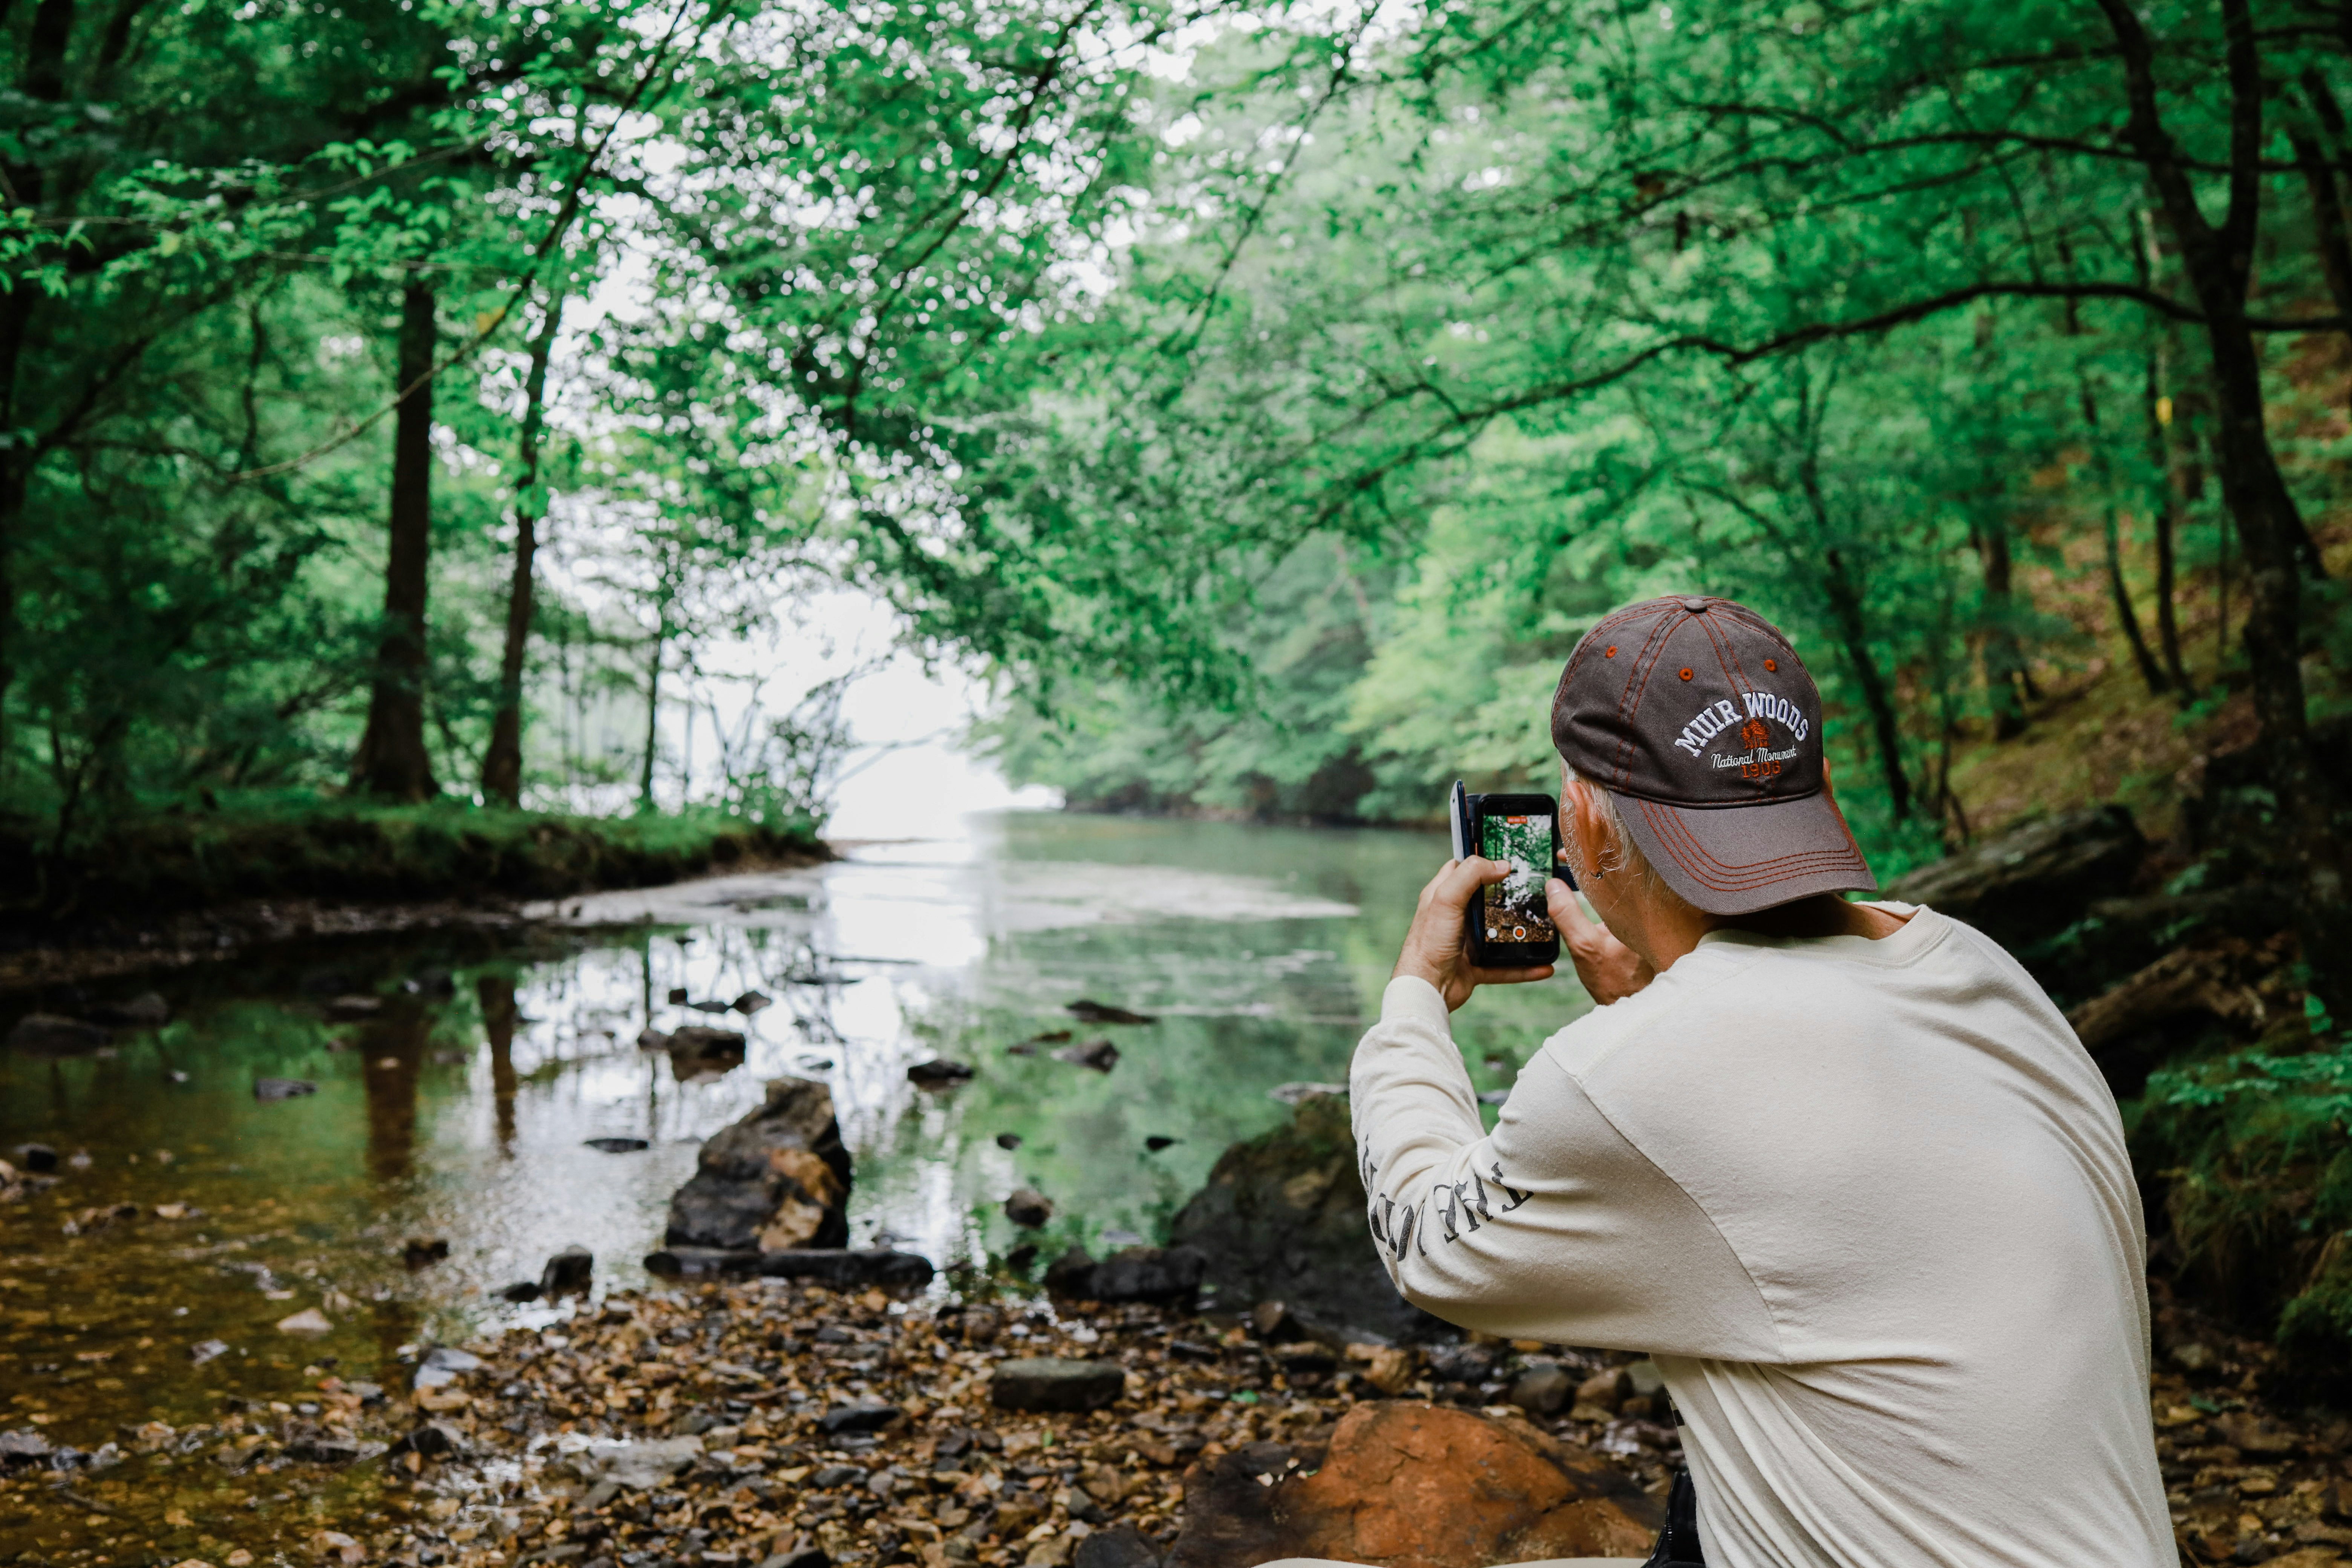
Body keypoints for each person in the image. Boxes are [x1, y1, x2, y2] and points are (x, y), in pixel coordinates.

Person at [1345, 595, 2172, 1568]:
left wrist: (1414, 1002)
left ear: (1582, 825)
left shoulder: (1635, 1077)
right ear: (1821, 786)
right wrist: (1656, 1001)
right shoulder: (1985, 970)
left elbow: (1428, 1245)